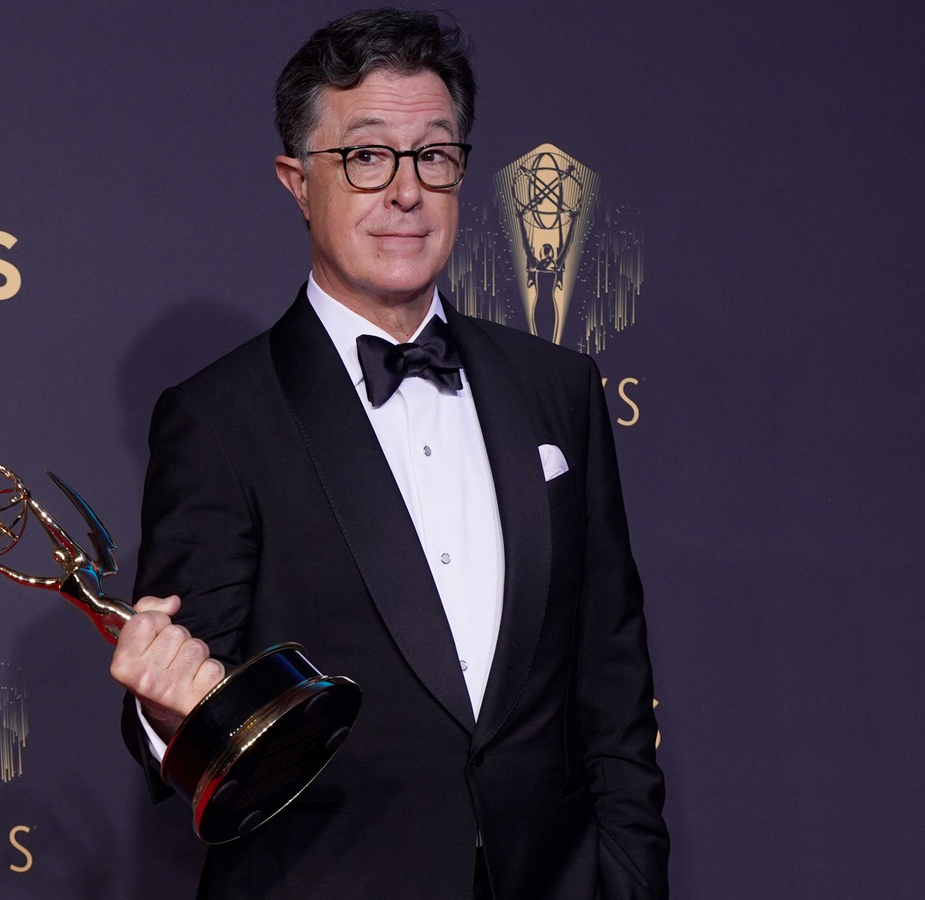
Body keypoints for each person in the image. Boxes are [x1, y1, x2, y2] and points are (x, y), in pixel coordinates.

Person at [110, 9, 669, 899]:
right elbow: (194, 693)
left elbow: (613, 683)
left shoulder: (557, 387)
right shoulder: (218, 418)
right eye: (366, 157)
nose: (406, 192)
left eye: (433, 156)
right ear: (298, 182)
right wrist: (166, 711)